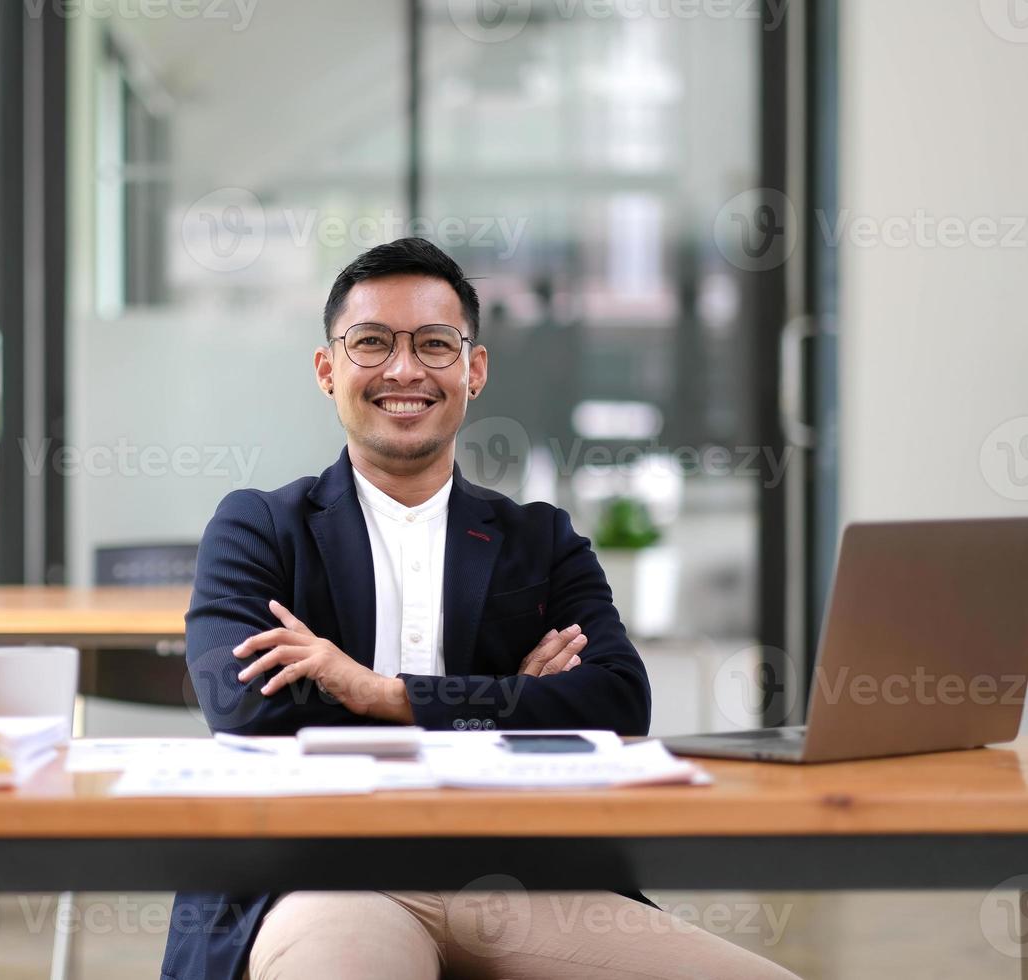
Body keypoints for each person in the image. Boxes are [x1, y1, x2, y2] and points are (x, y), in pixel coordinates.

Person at [160, 238, 799, 980]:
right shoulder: (259, 527)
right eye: (372, 343)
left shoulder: (541, 540)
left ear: (475, 369)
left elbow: (618, 704)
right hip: (317, 871)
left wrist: (382, 693)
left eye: (435, 344)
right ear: (327, 369)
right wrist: (515, 704)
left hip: (509, 874)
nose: (405, 370)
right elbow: (248, 710)